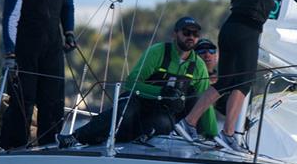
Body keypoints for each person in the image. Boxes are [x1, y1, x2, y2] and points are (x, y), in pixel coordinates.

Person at [175, 0, 295, 151]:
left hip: (231, 27)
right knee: (243, 83)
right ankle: (228, 134)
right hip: (247, 30)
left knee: (226, 82)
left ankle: (188, 123)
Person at [71, 17, 218, 145]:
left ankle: (138, 140)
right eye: (186, 32)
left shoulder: (198, 65)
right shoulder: (157, 52)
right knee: (126, 111)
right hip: (139, 102)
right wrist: (161, 92)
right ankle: (76, 138)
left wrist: (213, 136)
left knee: (163, 123)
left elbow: (205, 101)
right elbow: (131, 83)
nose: (191, 37)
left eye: (195, 33)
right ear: (175, 34)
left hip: (163, 113)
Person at [0, 0, 76, 150]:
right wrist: (10, 53)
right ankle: (13, 148)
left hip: (53, 46)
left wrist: (69, 32)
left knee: (54, 102)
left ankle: (49, 147)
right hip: (24, 48)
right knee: (23, 101)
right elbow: (11, 17)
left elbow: (68, 5)